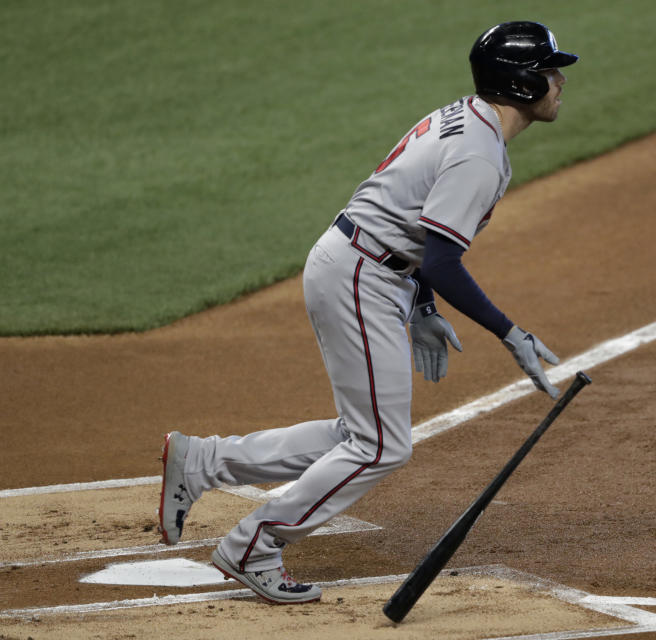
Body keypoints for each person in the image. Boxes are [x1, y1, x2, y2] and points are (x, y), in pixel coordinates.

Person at [158, 21, 578, 604]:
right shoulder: (479, 155)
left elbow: (417, 225)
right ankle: (255, 544)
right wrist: (511, 334)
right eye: (551, 71)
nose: (560, 81)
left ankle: (206, 461)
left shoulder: (468, 120)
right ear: (523, 83)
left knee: (364, 433)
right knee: (381, 445)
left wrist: (421, 306)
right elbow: (441, 260)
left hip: (364, 265)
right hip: (362, 274)